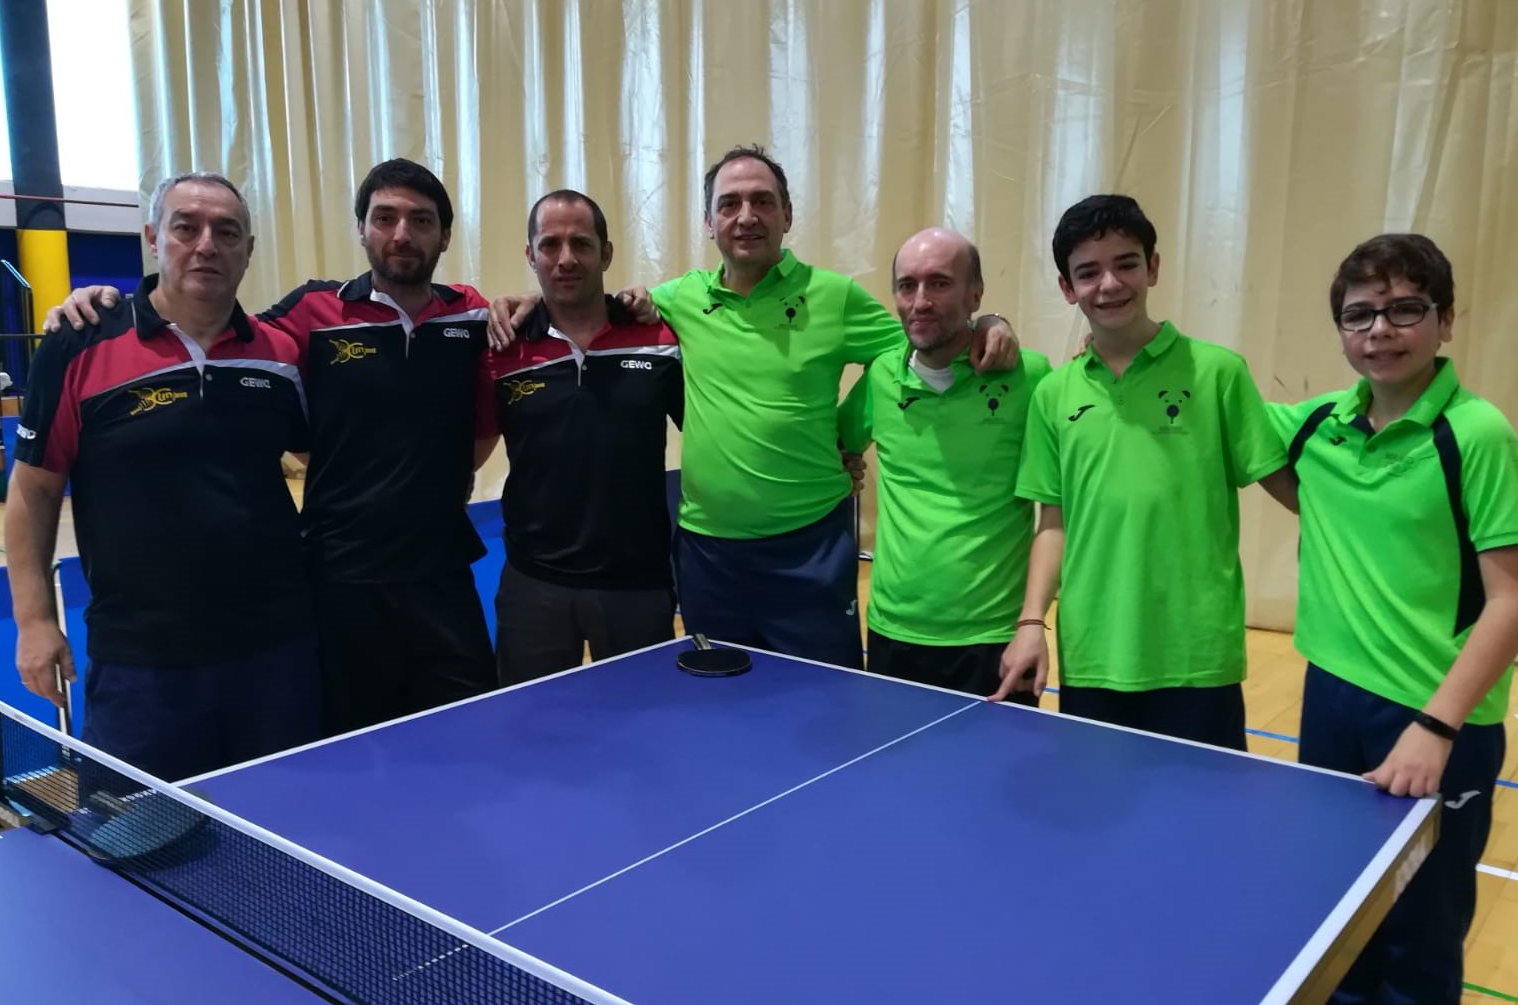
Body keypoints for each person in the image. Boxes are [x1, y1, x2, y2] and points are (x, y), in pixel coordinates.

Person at [489, 145, 1018, 668]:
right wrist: (530, 302)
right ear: (708, 222)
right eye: (729, 204)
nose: (746, 217)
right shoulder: (674, 303)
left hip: (811, 545)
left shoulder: (834, 296)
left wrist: (984, 323)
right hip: (708, 553)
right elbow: (582, 300)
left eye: (763, 202)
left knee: (821, 702)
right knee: (719, 709)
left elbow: (908, 347)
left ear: (787, 215)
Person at [51, 159, 498, 736]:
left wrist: (430, 478)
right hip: (339, 581)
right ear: (361, 229)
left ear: (445, 235)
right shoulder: (311, 312)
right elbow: (208, 324)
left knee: (469, 734)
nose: (402, 234)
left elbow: (483, 429)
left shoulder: (473, 313)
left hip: (443, 574)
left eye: (420, 220)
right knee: (353, 747)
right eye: (384, 217)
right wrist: (102, 306)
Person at [1257, 235, 1518, 1005]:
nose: (1381, 330)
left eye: (1405, 309)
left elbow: (1517, 599)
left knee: (1423, 926)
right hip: (1332, 697)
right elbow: (1222, 412)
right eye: (1360, 314)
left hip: (1436, 718)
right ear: (1341, 330)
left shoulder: (1477, 435)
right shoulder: (1318, 426)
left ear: (1444, 320)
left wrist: (1437, 726)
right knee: (1340, 909)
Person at [8, 172, 320, 779]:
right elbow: (34, 491)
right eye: (187, 227)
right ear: (154, 238)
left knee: (284, 830)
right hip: (143, 661)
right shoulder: (79, 345)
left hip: (276, 650)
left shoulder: (281, 354)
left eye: (227, 232)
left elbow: (327, 463)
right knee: (138, 850)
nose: (206, 244)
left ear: (248, 250)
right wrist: (36, 621)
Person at [992, 194, 1294, 748]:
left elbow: (1286, 485)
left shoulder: (1218, 373)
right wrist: (1032, 621)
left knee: (1204, 820)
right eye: (1088, 272)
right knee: (1101, 819)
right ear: (1067, 288)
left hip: (1197, 654)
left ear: (1152, 267)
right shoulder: (1053, 394)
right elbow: (1052, 522)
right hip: (1094, 652)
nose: (1109, 284)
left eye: (1126, 263)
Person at [838, 227, 1050, 701]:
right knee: (901, 775)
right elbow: (836, 443)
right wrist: (846, 465)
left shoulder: (1031, 377)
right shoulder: (880, 378)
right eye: (907, 285)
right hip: (895, 631)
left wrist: (1034, 621)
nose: (920, 300)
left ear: (975, 293)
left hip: (996, 637)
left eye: (939, 283)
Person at [485, 190, 683, 683]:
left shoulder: (662, 339)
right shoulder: (500, 348)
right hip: (534, 585)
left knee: (641, 735)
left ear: (607, 253)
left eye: (581, 243)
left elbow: (715, 431)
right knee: (534, 740)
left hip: (636, 584)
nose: (566, 258)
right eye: (550, 245)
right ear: (530, 256)